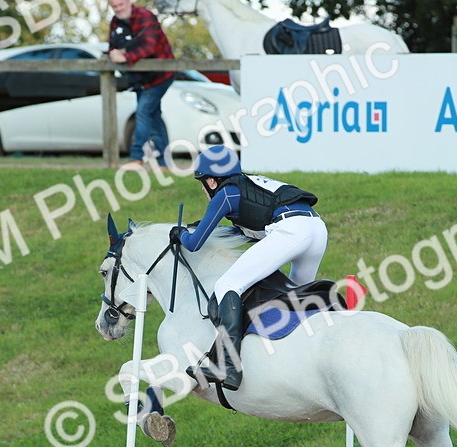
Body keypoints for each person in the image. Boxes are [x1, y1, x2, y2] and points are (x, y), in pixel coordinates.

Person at [173, 145, 328, 391]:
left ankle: (228, 366)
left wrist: (180, 232)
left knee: (227, 285)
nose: (203, 189)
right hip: (317, 228)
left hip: (291, 230)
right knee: (296, 298)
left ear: (212, 181)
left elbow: (193, 244)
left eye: (202, 183)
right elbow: (246, 231)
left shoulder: (225, 194)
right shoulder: (247, 185)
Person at [108, 0, 176, 168]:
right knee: (154, 118)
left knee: (143, 112)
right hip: (140, 78)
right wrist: (113, 53)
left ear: (129, 2)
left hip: (161, 75)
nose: (118, 9)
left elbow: (149, 47)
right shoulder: (115, 22)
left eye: (121, 5)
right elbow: (113, 46)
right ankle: (164, 163)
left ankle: (136, 158)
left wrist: (125, 57)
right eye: (114, 6)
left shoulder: (146, 17)